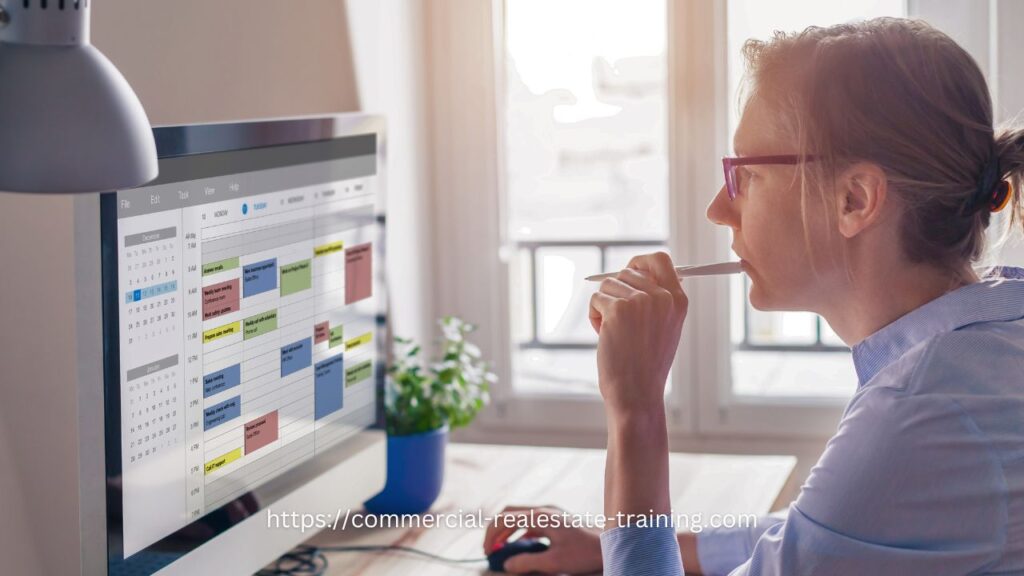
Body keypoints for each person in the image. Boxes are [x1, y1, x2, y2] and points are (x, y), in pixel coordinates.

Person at [483, 17, 1024, 575]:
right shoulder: (986, 348)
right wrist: (609, 548)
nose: (719, 208)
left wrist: (636, 408)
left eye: (745, 174)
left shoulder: (919, 413)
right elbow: (820, 532)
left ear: (854, 199)